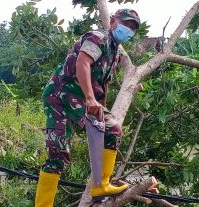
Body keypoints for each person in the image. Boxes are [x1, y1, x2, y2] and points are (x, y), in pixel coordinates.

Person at [35, 8, 141, 207]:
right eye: (125, 23)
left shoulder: (116, 52)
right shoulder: (98, 37)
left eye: (132, 27)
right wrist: (91, 100)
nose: (128, 29)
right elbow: (83, 63)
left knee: (112, 130)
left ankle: (101, 185)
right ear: (113, 21)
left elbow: (104, 83)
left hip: (83, 99)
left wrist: (102, 107)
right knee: (58, 155)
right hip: (61, 96)